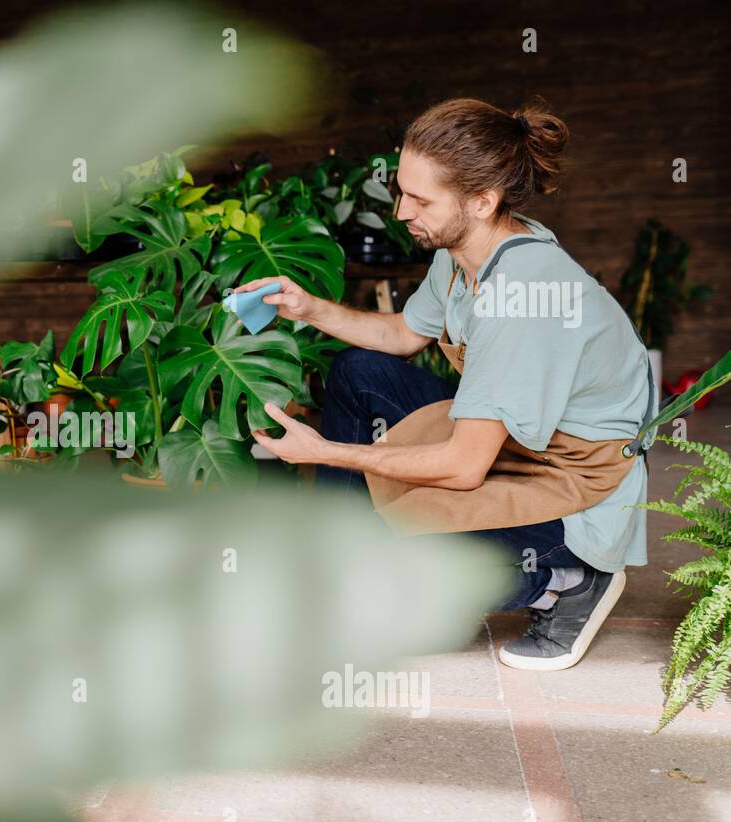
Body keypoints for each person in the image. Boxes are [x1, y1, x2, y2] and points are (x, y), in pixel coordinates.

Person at [242, 97, 651, 671]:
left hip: (574, 482)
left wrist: (325, 452)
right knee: (357, 372)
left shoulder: (522, 299)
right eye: (402, 190)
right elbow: (403, 333)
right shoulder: (463, 253)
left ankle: (567, 579)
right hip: (515, 443)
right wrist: (309, 308)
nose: (401, 210)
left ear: (482, 200)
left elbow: (463, 468)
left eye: (419, 199)